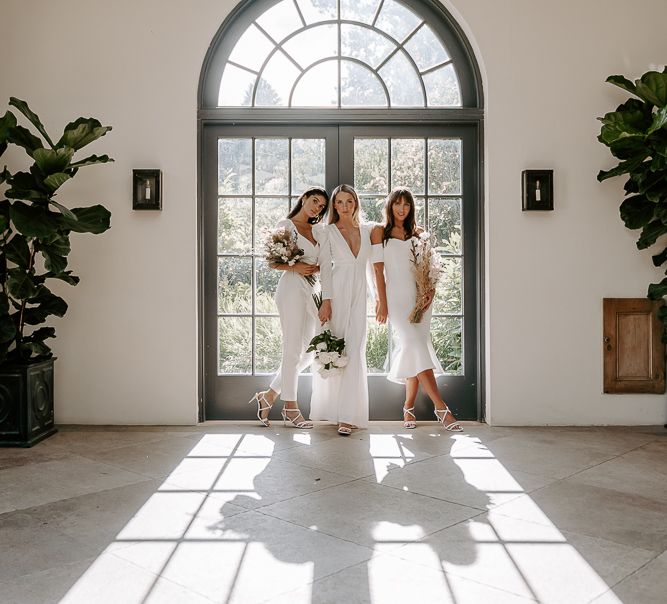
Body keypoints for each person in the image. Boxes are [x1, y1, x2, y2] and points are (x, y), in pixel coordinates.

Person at [371, 188, 462, 431]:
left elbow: (429, 268)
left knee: (414, 347)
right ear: (390, 206)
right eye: (397, 204)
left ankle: (408, 408)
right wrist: (382, 301)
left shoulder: (418, 233)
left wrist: (430, 291)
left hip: (420, 298)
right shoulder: (380, 232)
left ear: (411, 208)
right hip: (396, 298)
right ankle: (441, 408)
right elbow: (378, 270)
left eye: (406, 205)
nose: (401, 209)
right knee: (414, 344)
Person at [249, 187, 329, 429]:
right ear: (304, 199)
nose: (317, 207)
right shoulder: (286, 224)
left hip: (312, 289)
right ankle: (291, 408)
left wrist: (315, 268)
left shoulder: (317, 230)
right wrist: (295, 268)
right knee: (292, 347)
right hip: (292, 288)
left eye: (322, 206)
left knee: (310, 348)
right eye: (314, 201)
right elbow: (272, 262)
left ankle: (269, 395)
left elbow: (319, 260)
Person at [310, 184, 372, 435]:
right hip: (337, 293)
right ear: (334, 206)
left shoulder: (368, 231)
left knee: (355, 349)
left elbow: (393, 233)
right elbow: (325, 267)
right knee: (335, 349)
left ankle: (349, 415)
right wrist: (327, 300)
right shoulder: (328, 231)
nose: (345, 206)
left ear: (356, 203)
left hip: (360, 294)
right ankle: (332, 410)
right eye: (340, 202)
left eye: (350, 201)